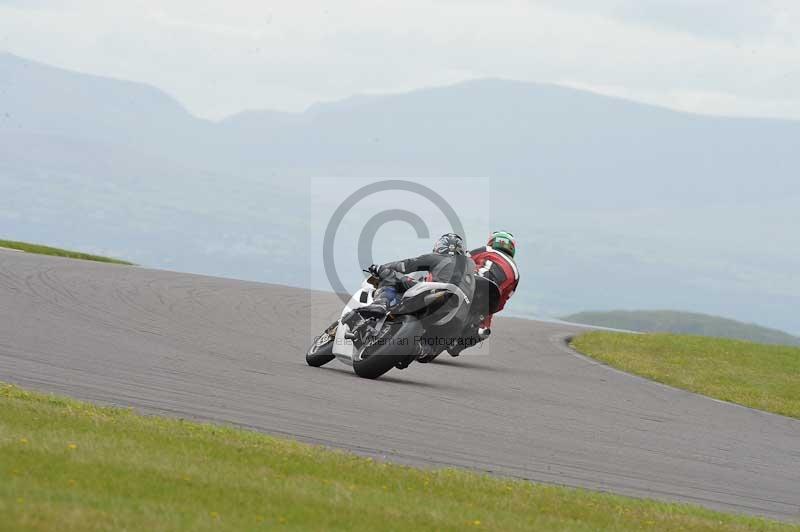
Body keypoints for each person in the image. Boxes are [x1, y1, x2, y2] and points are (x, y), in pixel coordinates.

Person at [362, 233, 476, 360]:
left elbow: (405, 265)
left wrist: (381, 268)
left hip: (437, 293)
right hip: (458, 319)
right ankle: (417, 349)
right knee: (426, 353)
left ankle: (381, 304)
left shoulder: (437, 257)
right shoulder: (471, 265)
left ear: (440, 246)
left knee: (390, 277)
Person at [447, 230, 519, 357]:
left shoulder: (486, 249)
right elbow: (504, 299)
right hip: (492, 293)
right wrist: (491, 310)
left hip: (474, 281)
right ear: (512, 248)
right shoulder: (516, 272)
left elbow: (463, 260)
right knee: (484, 328)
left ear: (492, 241)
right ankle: (461, 343)